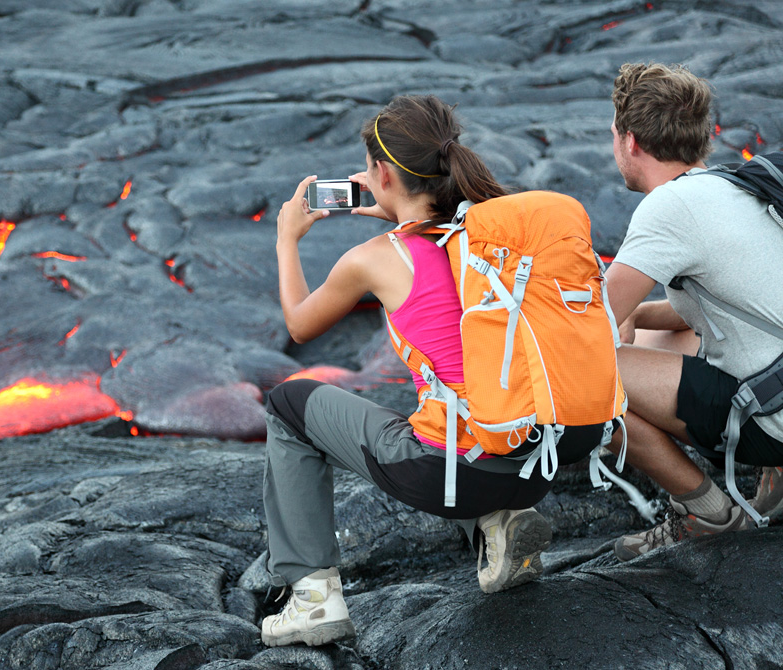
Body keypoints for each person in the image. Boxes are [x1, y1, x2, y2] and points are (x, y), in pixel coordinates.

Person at [260, 94, 612, 648]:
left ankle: (312, 598)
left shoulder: (375, 258)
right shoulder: (493, 239)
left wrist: (287, 238)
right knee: (467, 397)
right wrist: (398, 208)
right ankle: (498, 525)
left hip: (452, 475)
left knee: (288, 404)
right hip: (535, 463)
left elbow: (300, 325)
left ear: (381, 174)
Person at [603, 62, 783, 562]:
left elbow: (587, 322)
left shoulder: (669, 208)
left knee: (576, 377)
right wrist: (637, 317)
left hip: (772, 418)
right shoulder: (729, 186)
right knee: (654, 341)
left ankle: (708, 514)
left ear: (630, 141)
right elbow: (719, 309)